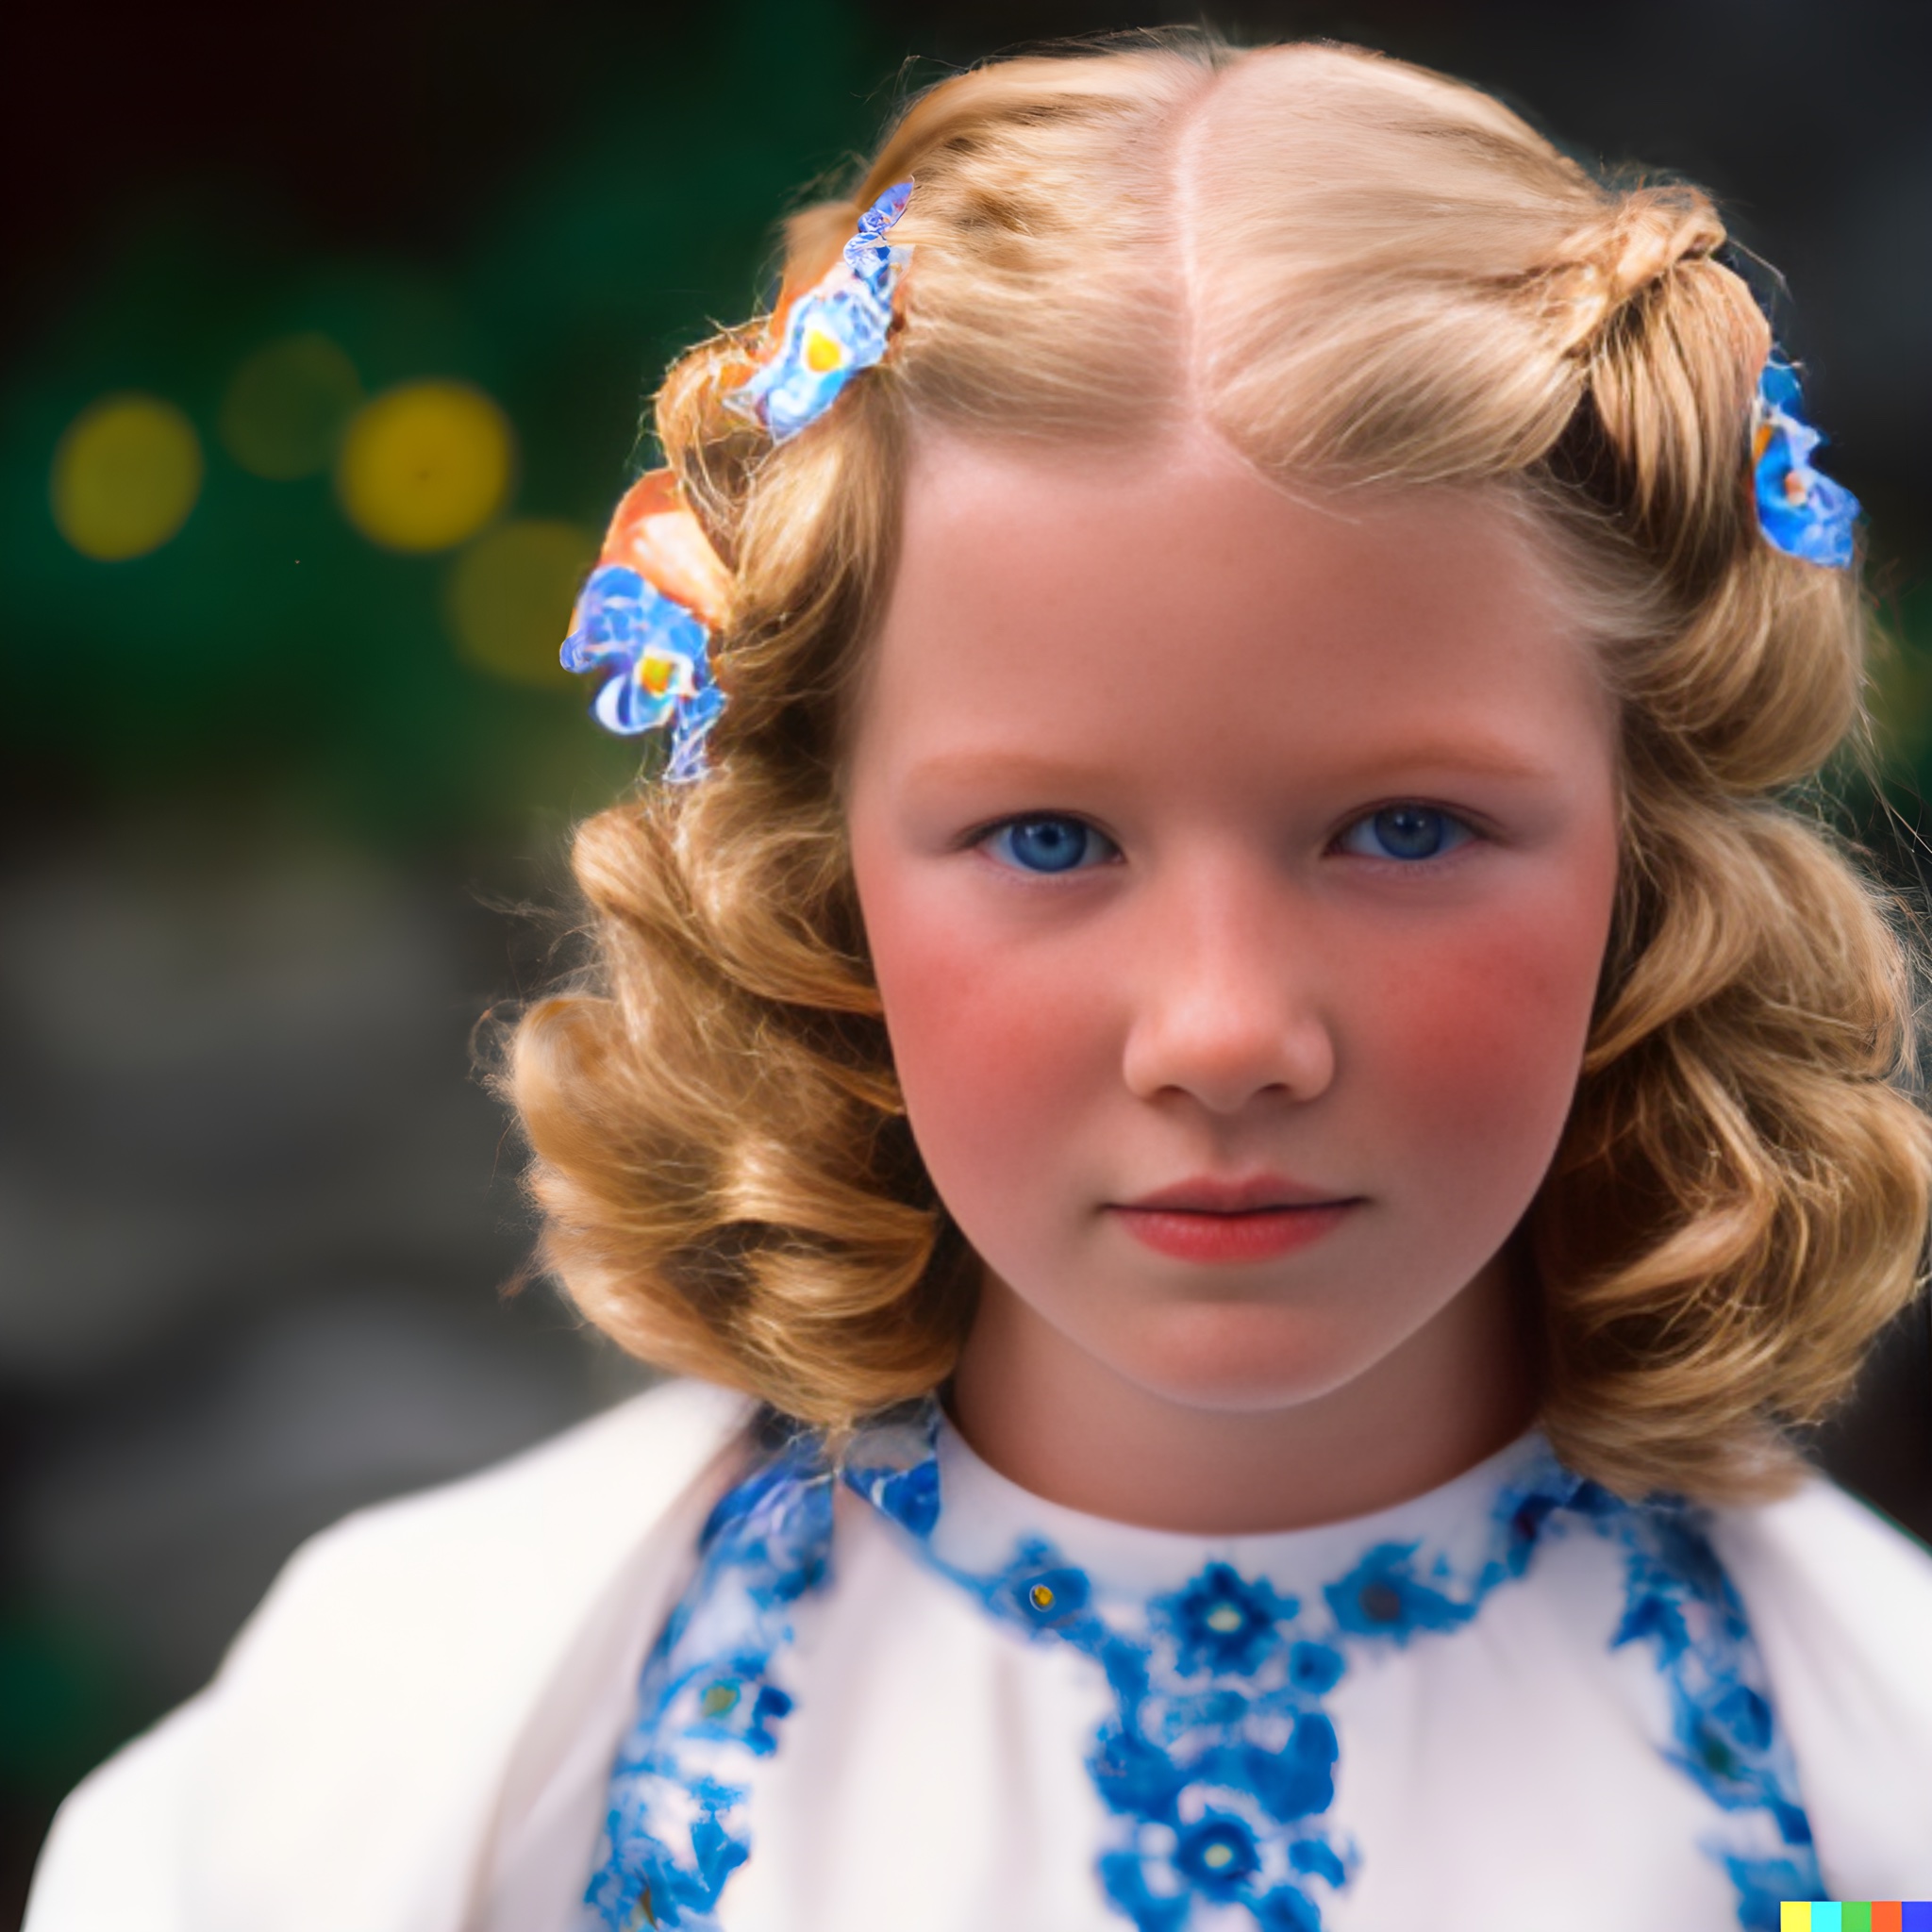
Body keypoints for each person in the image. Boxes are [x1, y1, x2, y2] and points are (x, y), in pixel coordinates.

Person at [25, 33, 1932, 1932]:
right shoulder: (402, 1765)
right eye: (1046, 839)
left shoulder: (1878, 1787)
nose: (1222, 1030)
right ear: (816, 868)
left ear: (1646, 840)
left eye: (1404, 830)